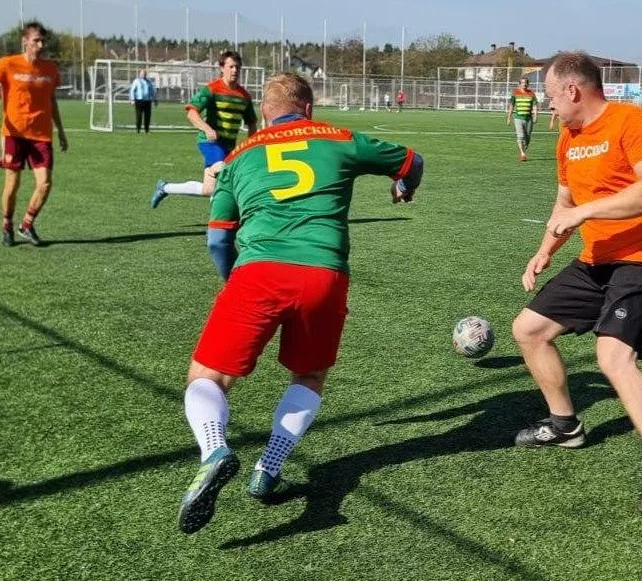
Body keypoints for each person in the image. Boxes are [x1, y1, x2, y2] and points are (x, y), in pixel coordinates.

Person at [176, 72, 425, 534]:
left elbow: (216, 240)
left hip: (257, 274)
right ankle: (268, 468)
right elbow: (412, 161)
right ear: (307, 108)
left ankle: (214, 449)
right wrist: (402, 189)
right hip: (324, 274)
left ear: (263, 116)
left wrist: (236, 281)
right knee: (309, 375)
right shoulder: (338, 137)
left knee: (208, 376)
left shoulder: (239, 157)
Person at [510, 52, 642, 516]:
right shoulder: (567, 139)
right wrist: (545, 251)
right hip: (596, 259)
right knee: (528, 330)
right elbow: (564, 203)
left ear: (573, 89)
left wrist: (585, 212)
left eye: (552, 97)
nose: (549, 107)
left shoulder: (634, 121)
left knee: (613, 358)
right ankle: (565, 425)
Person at [0, 21, 68, 247]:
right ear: (25, 41)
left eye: (43, 41)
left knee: (45, 183)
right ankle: (7, 225)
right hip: (14, 133)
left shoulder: (50, 69)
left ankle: (27, 224)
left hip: (41, 135)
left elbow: (52, 100)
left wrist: (60, 130)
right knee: (12, 184)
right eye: (36, 41)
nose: (40, 45)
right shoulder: (9, 64)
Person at [151, 51, 258, 208]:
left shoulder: (244, 96)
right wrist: (207, 129)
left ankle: (165, 187)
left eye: (238, 67)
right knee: (224, 173)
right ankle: (217, 226)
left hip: (228, 146)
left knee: (209, 189)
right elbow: (191, 112)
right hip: (210, 143)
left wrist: (252, 146)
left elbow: (252, 123)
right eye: (231, 66)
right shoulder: (212, 89)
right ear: (222, 68)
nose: (235, 70)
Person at [507, 78, 539, 161]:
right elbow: (511, 105)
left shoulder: (531, 93)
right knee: (520, 136)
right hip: (518, 118)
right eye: (522, 83)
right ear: (520, 84)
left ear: (528, 84)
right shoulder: (515, 93)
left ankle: (523, 151)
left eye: (525, 83)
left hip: (528, 118)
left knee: (527, 137)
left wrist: (535, 116)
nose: (524, 84)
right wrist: (509, 117)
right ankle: (522, 153)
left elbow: (535, 106)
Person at [129, 69, 157, 133]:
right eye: (142, 74)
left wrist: (155, 99)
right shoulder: (136, 81)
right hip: (139, 100)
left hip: (147, 101)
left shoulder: (149, 82)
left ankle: (146, 129)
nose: (143, 75)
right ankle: (138, 129)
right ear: (140, 74)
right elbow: (132, 90)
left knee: (147, 116)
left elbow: (152, 91)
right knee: (139, 115)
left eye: (144, 74)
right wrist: (132, 100)